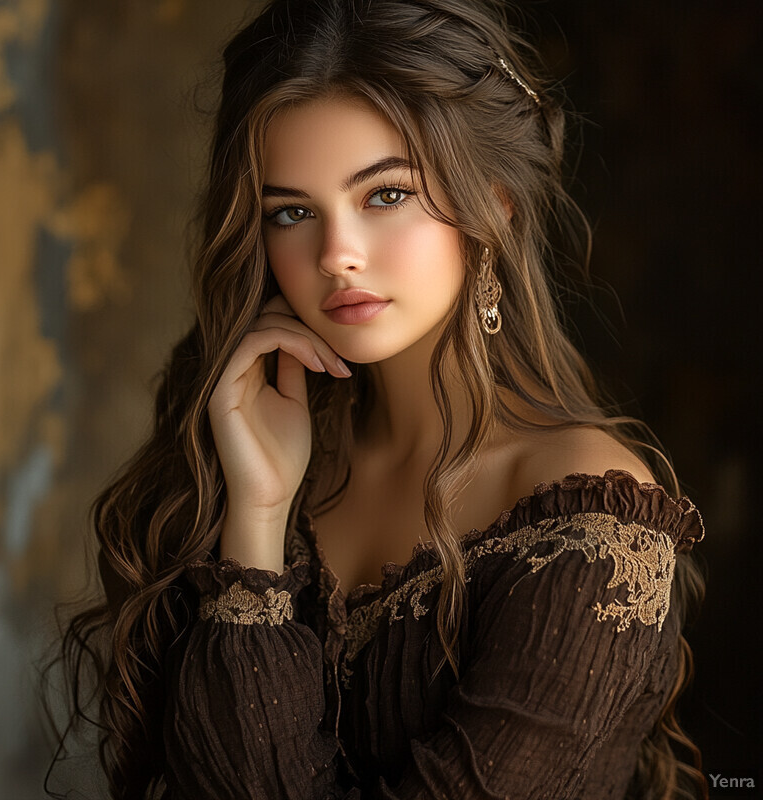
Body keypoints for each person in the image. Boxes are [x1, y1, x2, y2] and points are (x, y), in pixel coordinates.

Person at [52, 0, 709, 797]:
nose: (337, 255)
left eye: (385, 195)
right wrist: (257, 517)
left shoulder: (595, 533)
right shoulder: (257, 455)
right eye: (292, 212)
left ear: (494, 201)